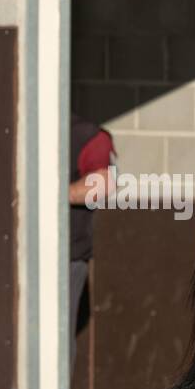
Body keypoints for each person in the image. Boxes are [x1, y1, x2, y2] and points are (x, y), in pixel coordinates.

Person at [68, 114, 116, 375]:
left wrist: (50, 192)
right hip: (18, 255)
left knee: (58, 335)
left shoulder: (88, 135)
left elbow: (102, 184)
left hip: (68, 256)